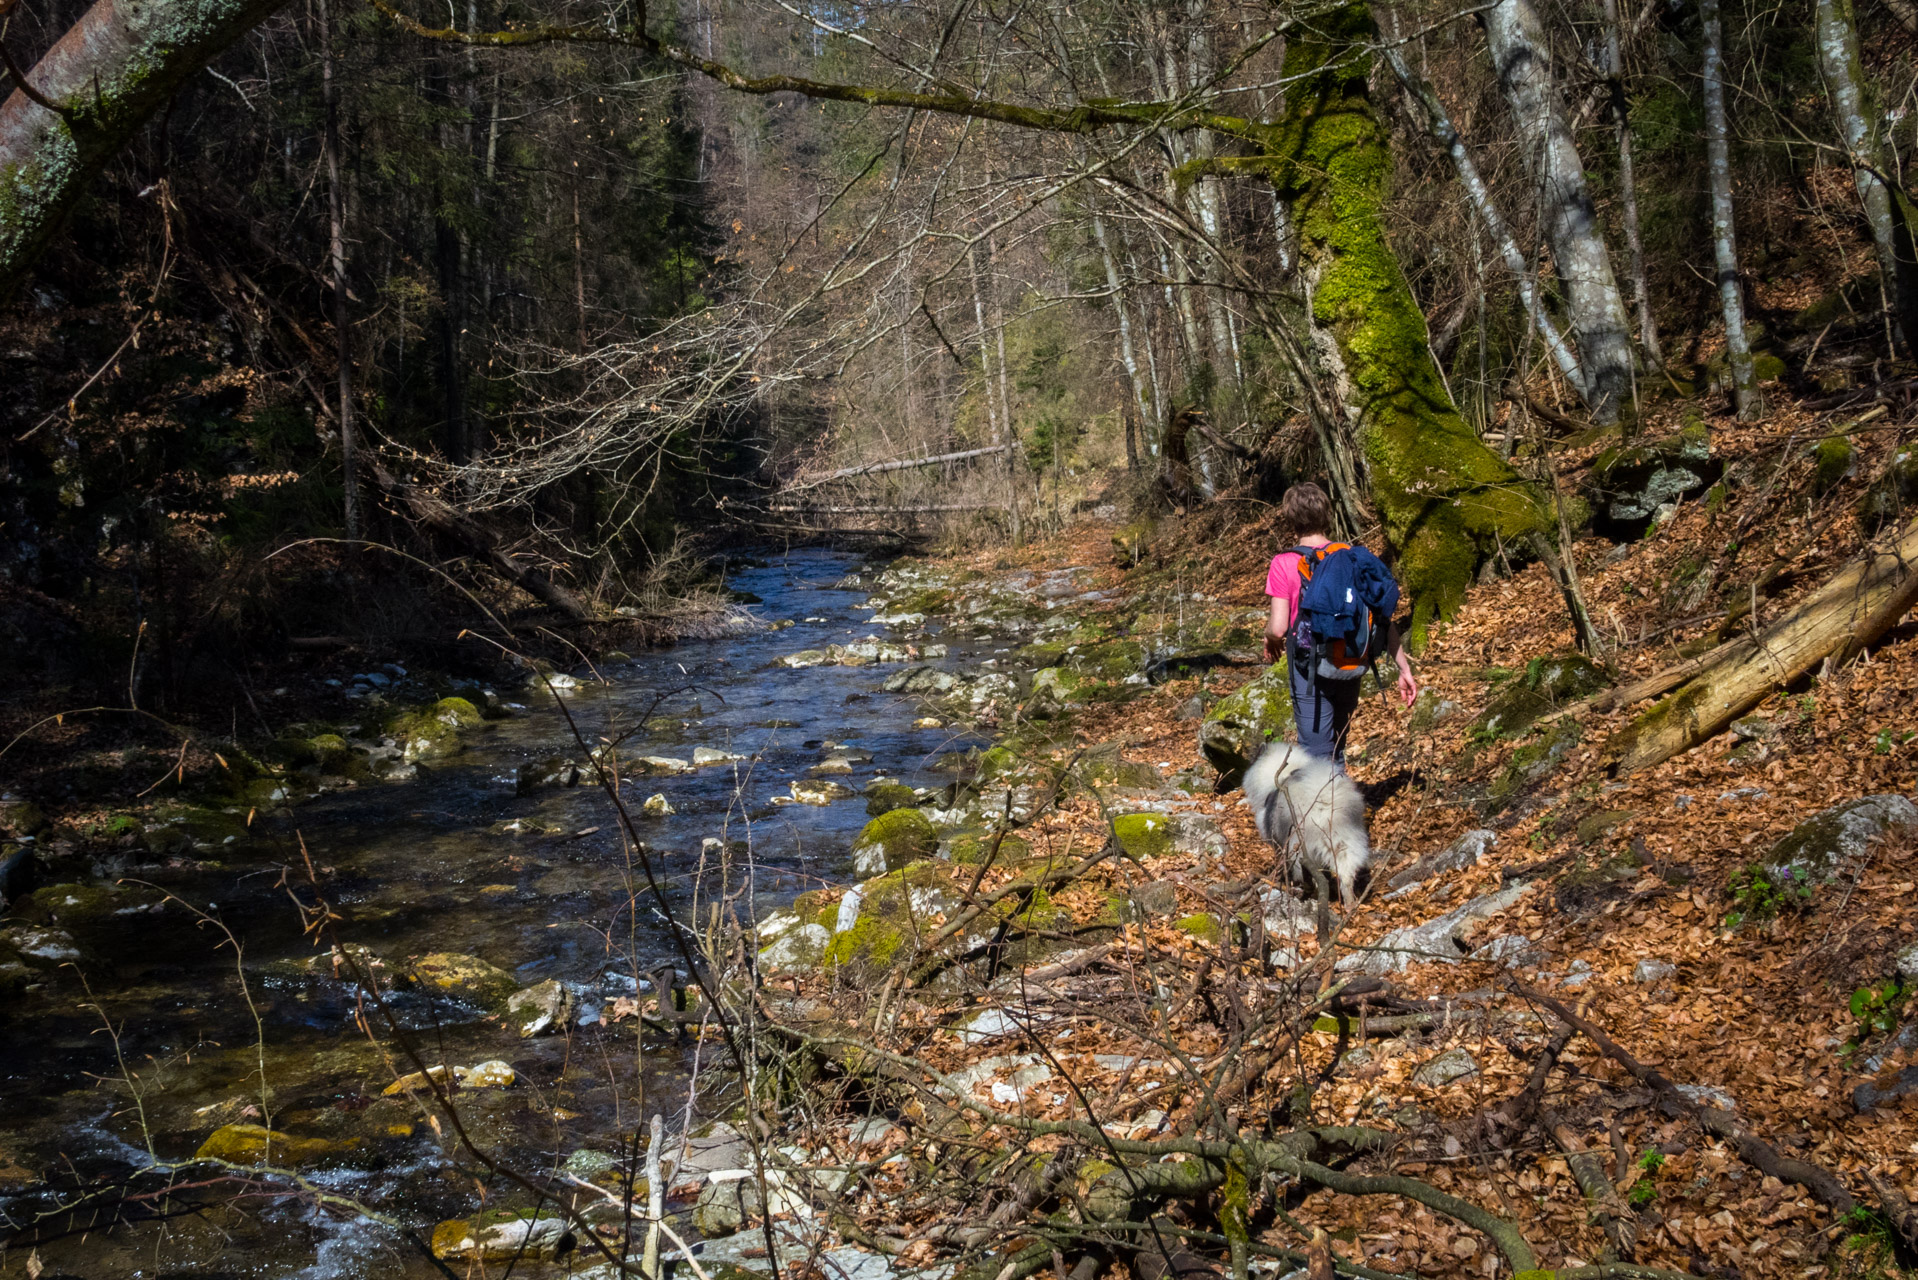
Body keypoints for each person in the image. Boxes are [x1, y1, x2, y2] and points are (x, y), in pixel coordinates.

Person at [1261, 483, 1419, 763]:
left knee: (1317, 755)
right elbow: (1382, 618)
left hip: (1308, 668)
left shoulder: (1284, 562)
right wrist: (1404, 668)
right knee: (1337, 747)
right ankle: (1338, 801)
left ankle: (1327, 806)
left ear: (1291, 520)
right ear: (1327, 515)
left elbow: (1278, 628)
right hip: (1349, 659)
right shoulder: (1352, 555)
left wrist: (1268, 638)